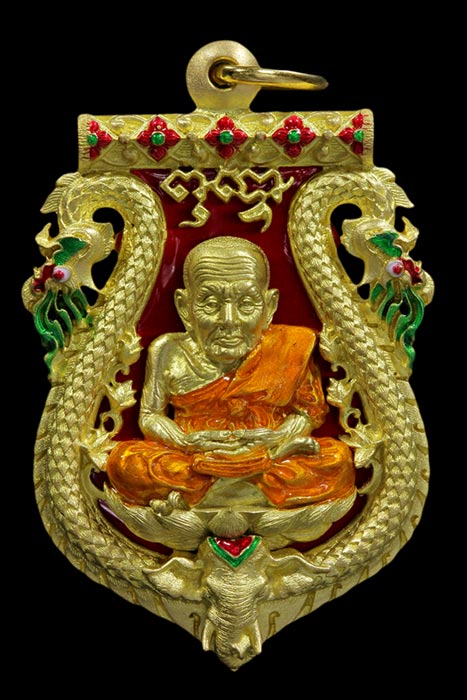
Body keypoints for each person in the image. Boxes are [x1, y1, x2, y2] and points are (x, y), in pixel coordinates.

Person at [105, 236, 355, 509]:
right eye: (210, 304)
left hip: (267, 450)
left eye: (246, 303)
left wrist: (277, 438)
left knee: (337, 459)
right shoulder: (167, 350)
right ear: (184, 307)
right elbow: (151, 416)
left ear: (270, 306)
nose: (229, 320)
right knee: (126, 462)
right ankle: (248, 494)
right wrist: (185, 441)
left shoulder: (290, 347)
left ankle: (208, 497)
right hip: (196, 458)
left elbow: (307, 413)